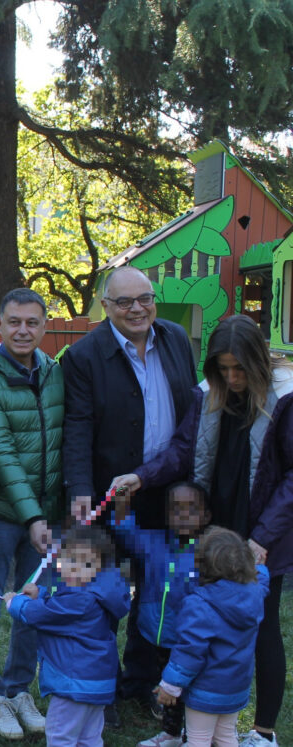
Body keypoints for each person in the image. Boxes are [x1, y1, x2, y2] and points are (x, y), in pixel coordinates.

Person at [111, 314, 293, 747]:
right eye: (223, 369)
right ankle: (187, 728)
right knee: (196, 622)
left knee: (261, 625)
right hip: (211, 532)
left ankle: (262, 732)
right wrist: (141, 476)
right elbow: (181, 451)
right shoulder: (207, 395)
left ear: (257, 362)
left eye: (239, 369)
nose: (232, 378)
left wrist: (261, 538)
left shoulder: (285, 399)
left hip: (261, 532)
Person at [61, 265, 197, 710]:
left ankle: (142, 682)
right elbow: (77, 429)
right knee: (104, 593)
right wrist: (81, 491)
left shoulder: (175, 338)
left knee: (158, 590)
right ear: (106, 306)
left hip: (167, 489)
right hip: (111, 496)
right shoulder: (84, 356)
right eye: (125, 302)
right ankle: (103, 689)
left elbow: (190, 416)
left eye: (145, 298)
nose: (138, 309)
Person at [0, 287, 63, 739]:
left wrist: (49, 512)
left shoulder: (54, 372)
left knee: (33, 605)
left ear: (45, 327)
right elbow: (0, 451)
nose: (23, 330)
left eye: (32, 322)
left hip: (46, 512)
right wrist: (32, 517)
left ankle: (19, 687)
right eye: (14, 322)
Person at [5, 524, 131, 747]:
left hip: (74, 685)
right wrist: (40, 593)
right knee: (89, 738)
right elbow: (59, 604)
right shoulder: (93, 593)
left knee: (60, 736)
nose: (75, 568)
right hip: (96, 685)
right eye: (69, 560)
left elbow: (42, 614)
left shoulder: (79, 599)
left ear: (100, 568)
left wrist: (17, 603)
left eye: (86, 564)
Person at [110, 482, 211, 747]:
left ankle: (198, 734)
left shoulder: (209, 553)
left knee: (193, 687)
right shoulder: (154, 542)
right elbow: (124, 529)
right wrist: (121, 501)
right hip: (157, 634)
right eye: (176, 509)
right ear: (166, 514)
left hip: (190, 639)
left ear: (206, 516)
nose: (183, 515)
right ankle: (172, 732)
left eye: (192, 509)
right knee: (169, 686)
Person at [156, 527, 270, 747]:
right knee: (226, 736)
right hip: (236, 688)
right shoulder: (255, 592)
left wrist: (170, 685)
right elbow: (262, 580)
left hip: (205, 691)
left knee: (198, 740)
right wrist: (260, 566)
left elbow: (189, 651)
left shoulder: (199, 605)